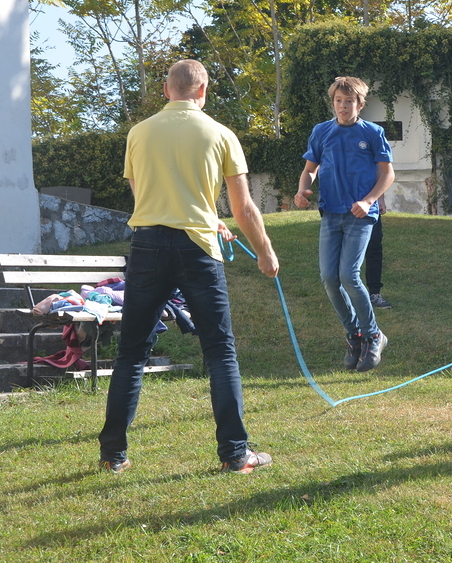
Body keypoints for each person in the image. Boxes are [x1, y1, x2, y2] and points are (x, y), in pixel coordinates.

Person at [98, 59, 280, 475]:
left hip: (147, 245)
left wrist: (196, 214)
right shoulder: (221, 134)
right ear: (203, 91)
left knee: (131, 353)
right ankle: (235, 454)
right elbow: (243, 207)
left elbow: (143, 193)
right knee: (220, 351)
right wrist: (266, 252)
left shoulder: (138, 133)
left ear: (167, 90)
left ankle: (113, 456)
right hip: (197, 249)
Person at [294, 77, 394, 372]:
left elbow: (388, 173)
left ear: (359, 104)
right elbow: (309, 169)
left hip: (361, 215)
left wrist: (369, 201)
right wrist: (302, 190)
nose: (342, 106)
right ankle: (355, 335)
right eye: (338, 101)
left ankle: (374, 335)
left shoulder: (373, 133)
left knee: (349, 276)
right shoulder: (321, 131)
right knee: (329, 277)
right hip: (331, 213)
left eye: (349, 102)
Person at [365, 193, 392, 309]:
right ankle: (344, 294)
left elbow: (379, 180)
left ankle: (374, 293)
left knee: (374, 247)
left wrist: (380, 199)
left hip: (370, 207)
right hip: (344, 206)